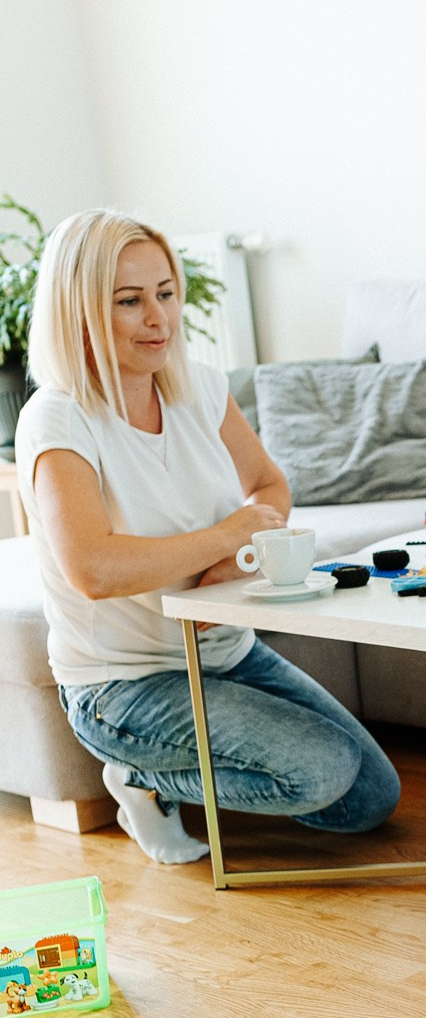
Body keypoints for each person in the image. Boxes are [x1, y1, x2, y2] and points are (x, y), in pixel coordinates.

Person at [16, 209, 400, 865]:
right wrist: (227, 535)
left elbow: (270, 490)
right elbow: (95, 569)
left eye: (165, 294)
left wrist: (234, 559)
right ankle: (138, 779)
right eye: (129, 301)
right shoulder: (57, 419)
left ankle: (168, 778)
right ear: (78, 311)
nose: (159, 318)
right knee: (319, 774)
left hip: (224, 651)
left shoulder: (198, 387)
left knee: (369, 796)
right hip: (123, 685)